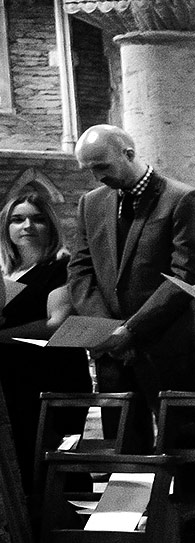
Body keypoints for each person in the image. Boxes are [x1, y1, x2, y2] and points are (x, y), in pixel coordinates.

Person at [68, 125, 195, 447]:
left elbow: (184, 274)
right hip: (111, 350)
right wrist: (107, 330)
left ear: (128, 154)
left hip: (165, 342)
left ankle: (186, 500)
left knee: (182, 446)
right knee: (124, 444)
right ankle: (129, 499)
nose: (97, 177)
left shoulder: (182, 198)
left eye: (102, 166)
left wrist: (132, 330)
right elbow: (80, 269)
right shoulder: (91, 203)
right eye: (88, 169)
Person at [0, 181, 90, 494]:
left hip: (52, 376)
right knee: (17, 462)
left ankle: (66, 532)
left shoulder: (63, 266)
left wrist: (3, 335)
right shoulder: (5, 274)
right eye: (17, 219)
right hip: (10, 379)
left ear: (50, 224)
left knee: (52, 458)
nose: (27, 225)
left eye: (37, 218)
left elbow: (57, 323)